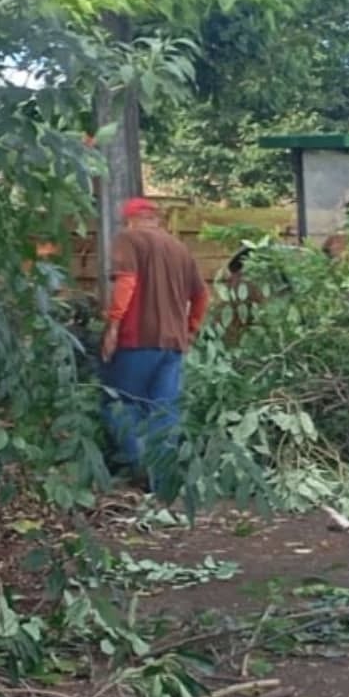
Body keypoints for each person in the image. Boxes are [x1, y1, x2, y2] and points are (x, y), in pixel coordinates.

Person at [100, 197, 209, 491]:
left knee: (120, 404)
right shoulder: (179, 248)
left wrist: (113, 326)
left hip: (137, 340)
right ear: (156, 219)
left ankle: (141, 469)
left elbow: (127, 282)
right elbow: (201, 295)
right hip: (173, 345)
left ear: (130, 220)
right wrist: (191, 329)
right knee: (164, 410)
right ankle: (164, 482)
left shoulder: (129, 239)